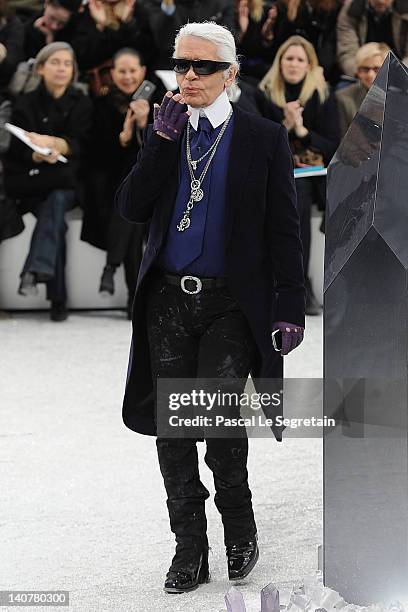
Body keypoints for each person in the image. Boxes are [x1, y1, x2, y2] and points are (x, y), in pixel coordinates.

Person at [116, 21, 305, 593]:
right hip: (168, 301)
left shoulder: (262, 137)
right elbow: (130, 207)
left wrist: (289, 304)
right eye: (181, 66)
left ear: (230, 73)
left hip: (230, 303)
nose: (189, 76)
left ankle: (239, 529)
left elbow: (284, 229)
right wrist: (159, 145)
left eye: (202, 67)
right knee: (174, 434)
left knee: (219, 425)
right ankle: (189, 548)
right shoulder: (168, 130)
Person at [4, 42, 92, 321]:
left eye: (67, 63)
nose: (62, 68)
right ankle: (56, 296)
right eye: (55, 62)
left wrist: (56, 145)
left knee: (55, 203)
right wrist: (38, 155)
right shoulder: (26, 102)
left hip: (67, 182)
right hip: (36, 180)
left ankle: (39, 276)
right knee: (53, 210)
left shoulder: (82, 102)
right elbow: (16, 150)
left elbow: (84, 144)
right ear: (41, 68)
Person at [259, 35, 339, 315]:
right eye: (289, 58)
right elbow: (257, 141)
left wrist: (302, 130)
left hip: (310, 176)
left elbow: (333, 145)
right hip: (270, 171)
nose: (293, 64)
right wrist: (284, 124)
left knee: (295, 200)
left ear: (309, 65)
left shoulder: (323, 96)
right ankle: (269, 283)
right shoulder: (265, 93)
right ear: (280, 62)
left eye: (300, 60)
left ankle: (299, 284)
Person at [81, 48, 164, 316]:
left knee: (132, 202)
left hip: (155, 184)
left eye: (133, 71)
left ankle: (112, 268)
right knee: (132, 215)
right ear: (112, 74)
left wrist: (144, 127)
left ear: (142, 72)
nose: (128, 77)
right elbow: (95, 153)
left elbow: (165, 151)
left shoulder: (160, 100)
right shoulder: (101, 104)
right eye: (122, 71)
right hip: (113, 184)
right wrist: (124, 138)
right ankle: (134, 297)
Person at [143, 0, 236, 69]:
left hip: (210, 64)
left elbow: (228, 41)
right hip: (167, 67)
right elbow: (163, 42)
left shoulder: (223, 3)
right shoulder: (154, 3)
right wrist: (168, 8)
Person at [70, 0, 155, 75]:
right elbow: (81, 58)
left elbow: (148, 53)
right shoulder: (86, 10)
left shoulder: (139, 9)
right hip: (97, 83)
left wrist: (129, 24)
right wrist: (100, 27)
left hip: (137, 81)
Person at [337, 0, 408, 78]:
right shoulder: (351, 9)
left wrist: (395, 76)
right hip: (361, 73)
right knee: (343, 88)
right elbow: (347, 52)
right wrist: (362, 73)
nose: (381, 1)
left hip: (400, 72)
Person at [336, 41, 389, 137]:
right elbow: (342, 140)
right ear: (358, 71)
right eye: (365, 69)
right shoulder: (343, 97)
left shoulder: (403, 96)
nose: (370, 75)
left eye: (377, 69)